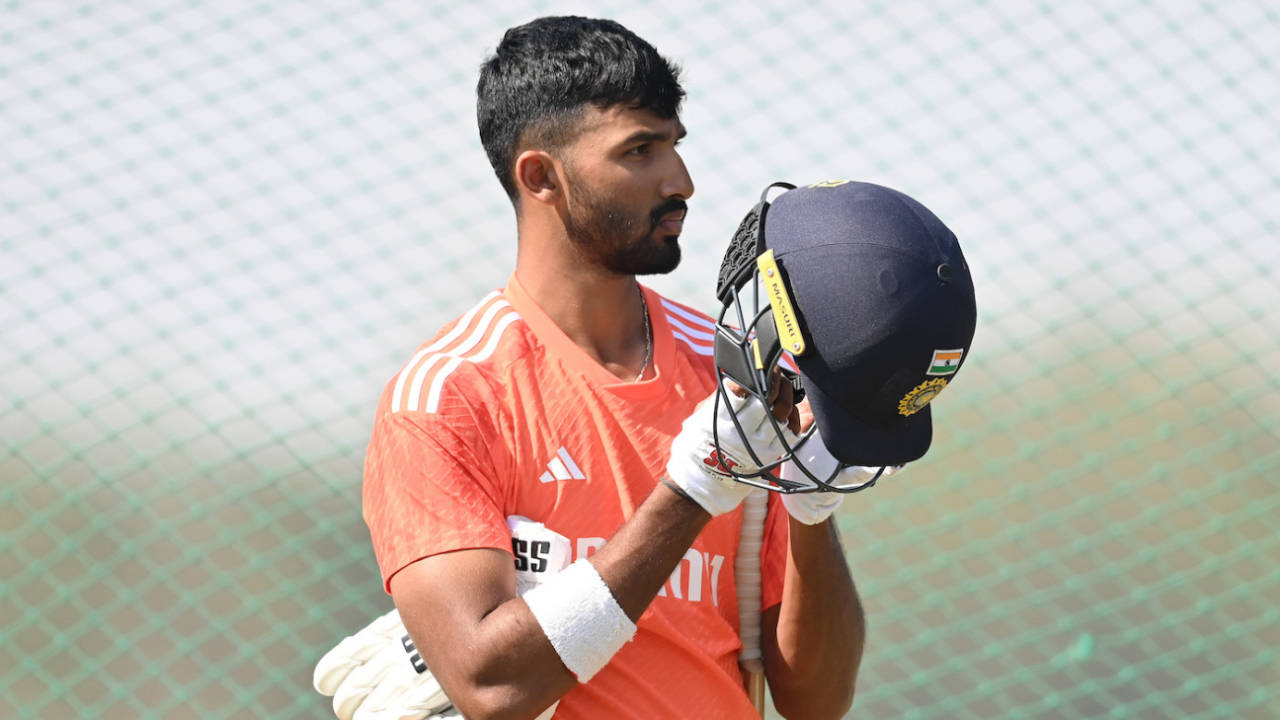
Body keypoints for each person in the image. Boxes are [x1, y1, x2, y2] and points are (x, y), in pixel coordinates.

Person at [355, 15, 868, 720]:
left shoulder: (738, 376)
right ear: (542, 177)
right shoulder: (447, 399)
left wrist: (815, 508)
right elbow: (491, 688)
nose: (680, 179)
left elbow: (816, 702)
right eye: (639, 150)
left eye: (676, 145)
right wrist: (693, 487)